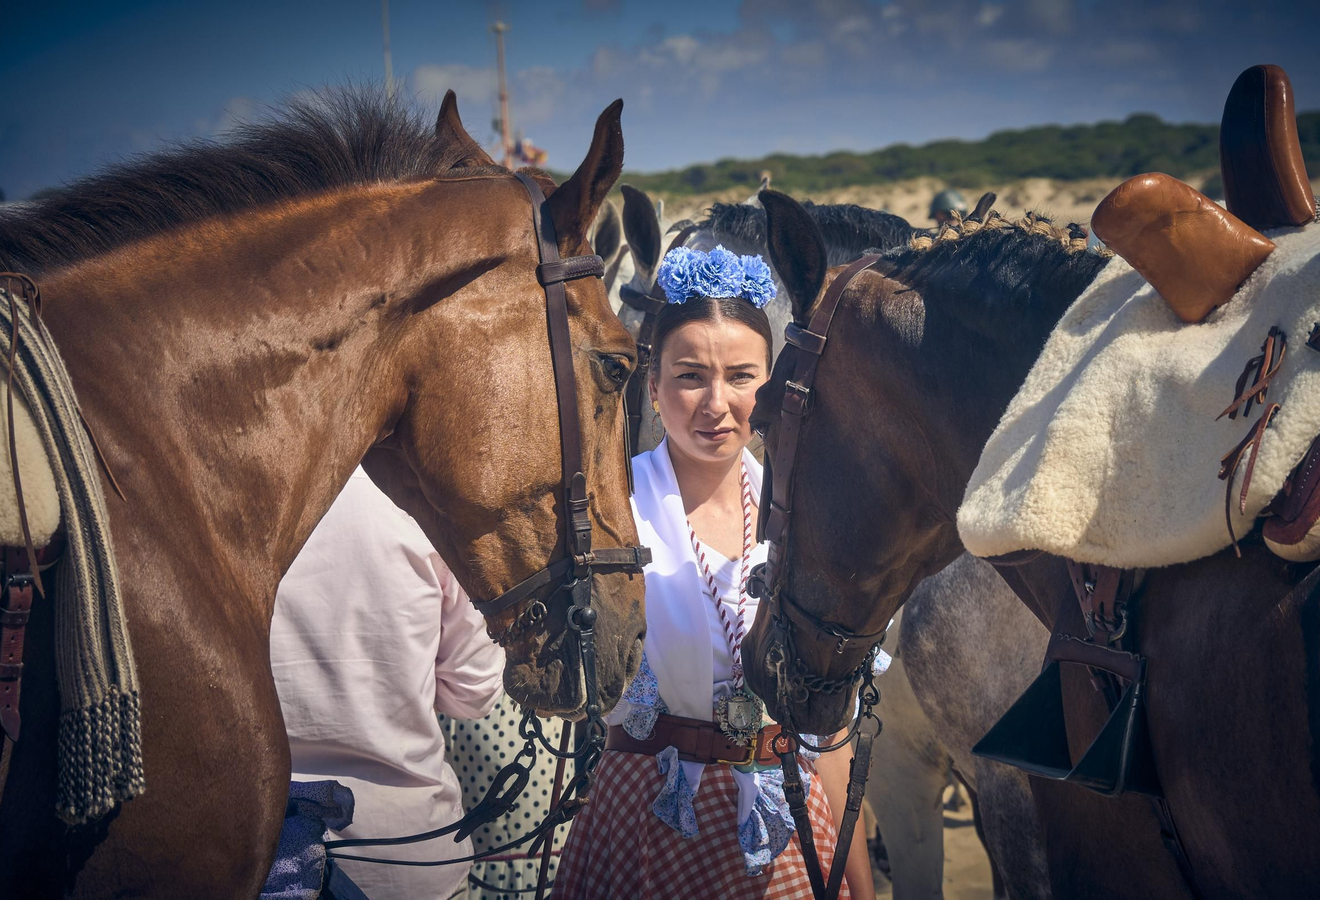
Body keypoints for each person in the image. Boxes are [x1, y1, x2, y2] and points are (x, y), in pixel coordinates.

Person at [552, 246, 876, 900]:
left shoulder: (811, 521)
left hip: (785, 813)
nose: (717, 404)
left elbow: (831, 732)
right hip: (644, 817)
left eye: (741, 376)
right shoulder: (610, 515)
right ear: (651, 385)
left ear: (776, 385)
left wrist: (857, 880)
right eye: (691, 376)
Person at [270, 467, 507, 900]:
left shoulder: (222, 493)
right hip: (408, 855)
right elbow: (476, 690)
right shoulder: (427, 507)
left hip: (261, 853)